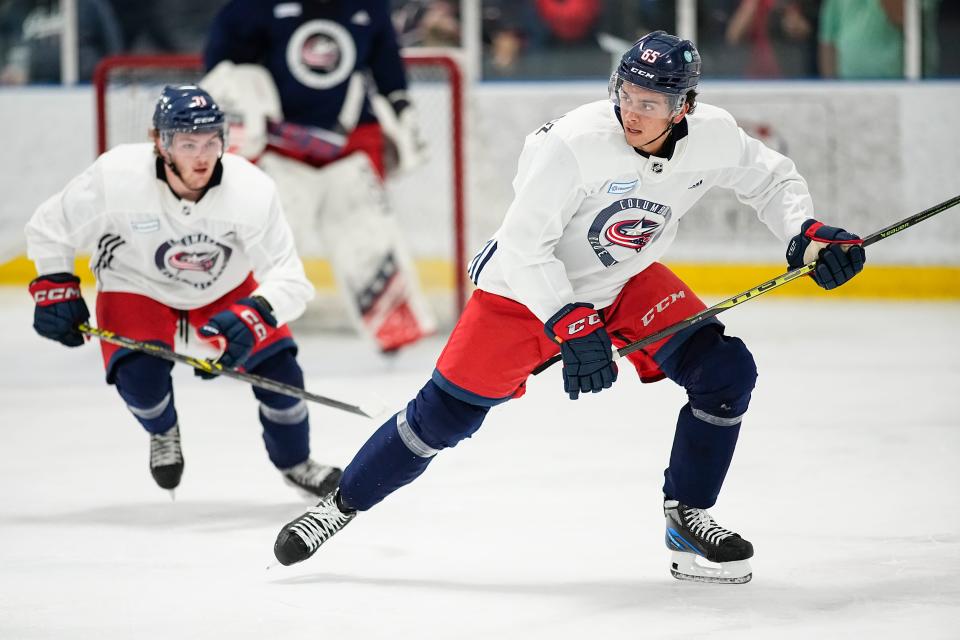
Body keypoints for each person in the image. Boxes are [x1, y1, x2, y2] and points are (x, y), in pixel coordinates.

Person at [271, 31, 866, 583]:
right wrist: (567, 318)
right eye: (626, 94)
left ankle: (686, 520)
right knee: (444, 417)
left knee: (726, 372)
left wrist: (807, 234)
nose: (633, 112)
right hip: (524, 291)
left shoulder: (713, 136)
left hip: (625, 280)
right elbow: (525, 246)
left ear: (682, 107)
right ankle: (340, 504)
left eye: (651, 103)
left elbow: (771, 179)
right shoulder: (573, 144)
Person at [24, 85, 342, 498]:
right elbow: (49, 228)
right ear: (159, 142)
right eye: (187, 143)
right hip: (136, 286)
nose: (202, 156)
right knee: (140, 381)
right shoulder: (116, 177)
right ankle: (163, 431)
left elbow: (292, 278)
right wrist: (55, 285)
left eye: (211, 142)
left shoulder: (251, 190)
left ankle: (297, 462)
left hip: (224, 290)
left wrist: (256, 311)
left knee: (283, 378)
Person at [201, 0, 435, 354]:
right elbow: (222, 65)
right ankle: (232, 325)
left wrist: (400, 105)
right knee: (266, 239)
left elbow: (386, 59)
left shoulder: (368, 7)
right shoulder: (253, 7)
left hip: (351, 138)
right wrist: (238, 100)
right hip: (281, 146)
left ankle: (394, 326)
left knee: (367, 235)